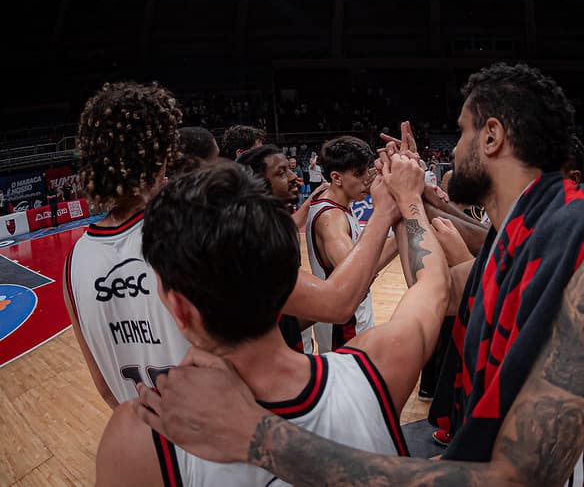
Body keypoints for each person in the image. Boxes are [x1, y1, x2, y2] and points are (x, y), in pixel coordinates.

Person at [135, 63, 584, 486]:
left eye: (463, 129)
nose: (457, 144)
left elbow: (518, 477)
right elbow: (439, 292)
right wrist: (409, 201)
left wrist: (258, 437)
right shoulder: (522, 236)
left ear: (492, 136)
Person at [96, 156, 451, 487]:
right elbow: (433, 284)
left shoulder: (139, 436)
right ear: (287, 279)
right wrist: (407, 199)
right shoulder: (379, 365)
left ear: (179, 307)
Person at [63, 82, 190, 408]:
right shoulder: (184, 226)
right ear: (160, 153)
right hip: (216, 443)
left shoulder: (73, 263)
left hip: (145, 443)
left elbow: (105, 388)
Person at [305, 135, 397, 353]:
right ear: (336, 177)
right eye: (359, 174)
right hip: (345, 332)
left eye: (368, 171)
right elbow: (357, 276)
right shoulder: (331, 219)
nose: (367, 179)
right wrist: (398, 228)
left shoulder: (334, 202)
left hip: (346, 325)